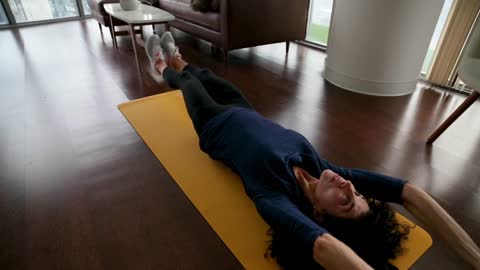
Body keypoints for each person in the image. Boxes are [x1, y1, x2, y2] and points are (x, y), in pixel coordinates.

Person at [145, 33, 480, 270]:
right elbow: (409, 192)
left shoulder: (273, 196)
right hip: (244, 109)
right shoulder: (325, 170)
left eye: (347, 202)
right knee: (205, 75)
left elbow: (323, 246)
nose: (349, 186)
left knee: (190, 86)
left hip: (213, 126)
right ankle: (179, 58)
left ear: (319, 214)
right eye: (357, 192)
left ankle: (162, 67)